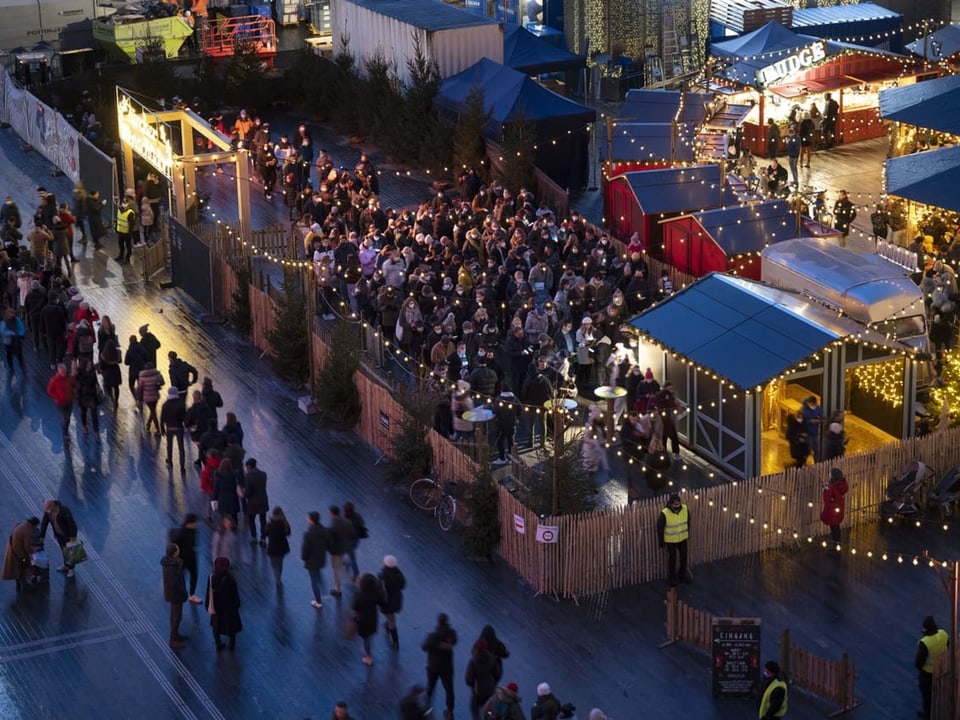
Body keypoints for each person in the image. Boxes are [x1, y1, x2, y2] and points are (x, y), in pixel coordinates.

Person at [422, 613, 458, 720]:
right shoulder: (452, 634)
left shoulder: (433, 636)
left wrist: (436, 645)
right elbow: (454, 642)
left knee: (431, 688)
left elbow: (424, 647)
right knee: (449, 690)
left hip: (433, 667)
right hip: (447, 667)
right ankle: (450, 712)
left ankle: (427, 709)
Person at [916, 615, 949, 719]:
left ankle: (928, 715)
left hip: (928, 673)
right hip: (942, 668)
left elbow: (919, 662)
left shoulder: (925, 643)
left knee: (927, 696)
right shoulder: (943, 634)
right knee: (941, 690)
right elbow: (948, 646)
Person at [206, 556, 242, 650]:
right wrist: (237, 604)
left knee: (216, 627)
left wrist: (208, 605)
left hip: (216, 606)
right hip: (229, 608)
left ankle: (218, 644)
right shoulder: (230, 579)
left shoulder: (211, 577)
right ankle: (231, 644)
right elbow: (234, 595)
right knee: (231, 627)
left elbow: (208, 592)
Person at [39, 499, 78, 578]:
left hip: (69, 535)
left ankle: (71, 569)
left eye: (49, 509)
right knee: (64, 550)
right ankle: (66, 566)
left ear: (53, 505)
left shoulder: (64, 511)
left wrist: (72, 537)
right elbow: (44, 523)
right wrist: (42, 536)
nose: (48, 511)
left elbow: (71, 524)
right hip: (60, 535)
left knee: (72, 552)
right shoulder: (48, 512)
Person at [657, 493, 689, 587]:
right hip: (671, 540)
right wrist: (661, 542)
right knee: (672, 559)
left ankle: (682, 575)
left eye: (678, 504)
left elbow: (688, 521)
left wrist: (688, 533)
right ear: (670, 504)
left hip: (682, 538)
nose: (676, 506)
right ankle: (672, 578)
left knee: (684, 557)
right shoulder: (665, 513)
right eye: (674, 504)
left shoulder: (685, 509)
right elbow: (660, 528)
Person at [464, 638, 502, 719]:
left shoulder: (473, 661)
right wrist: (492, 683)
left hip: (478, 692)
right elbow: (497, 674)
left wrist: (473, 684)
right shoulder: (492, 659)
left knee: (474, 709)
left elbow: (468, 679)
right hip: (490, 690)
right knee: (488, 711)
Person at [169, 514, 202, 604]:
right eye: (195, 522)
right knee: (181, 576)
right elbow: (174, 544)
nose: (196, 524)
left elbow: (194, 543)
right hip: (182, 558)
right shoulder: (181, 533)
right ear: (189, 523)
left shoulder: (195, 530)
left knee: (194, 575)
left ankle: (191, 595)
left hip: (191, 557)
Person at [161, 543, 189, 649]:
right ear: (175, 553)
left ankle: (175, 634)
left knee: (174, 615)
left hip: (171, 593)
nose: (179, 550)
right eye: (177, 549)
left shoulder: (167, 563)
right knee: (176, 616)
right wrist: (184, 592)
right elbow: (177, 583)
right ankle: (173, 639)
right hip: (176, 595)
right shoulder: (175, 566)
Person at [352, 572, 383, 666]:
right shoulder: (375, 594)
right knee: (368, 637)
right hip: (373, 618)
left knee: (366, 638)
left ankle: (368, 657)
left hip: (363, 619)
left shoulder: (359, 594)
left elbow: (355, 606)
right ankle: (368, 652)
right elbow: (381, 601)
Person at [2, 516, 39, 592]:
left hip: (12, 550)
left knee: (17, 569)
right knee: (23, 568)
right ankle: (25, 586)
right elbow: (27, 547)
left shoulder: (21, 525)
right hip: (20, 554)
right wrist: (33, 550)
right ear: (34, 524)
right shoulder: (28, 532)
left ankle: (19, 584)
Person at [301, 510, 329, 609]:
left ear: (312, 521)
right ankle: (325, 592)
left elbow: (305, 550)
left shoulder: (308, 535)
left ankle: (318, 601)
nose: (307, 519)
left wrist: (304, 558)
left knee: (314, 581)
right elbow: (328, 543)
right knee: (318, 574)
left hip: (311, 561)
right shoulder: (325, 530)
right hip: (321, 558)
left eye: (308, 518)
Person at [327, 505, 355, 597]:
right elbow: (352, 535)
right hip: (343, 548)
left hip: (335, 551)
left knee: (336, 569)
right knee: (338, 567)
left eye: (329, 513)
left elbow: (329, 540)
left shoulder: (333, 525)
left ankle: (337, 589)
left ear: (332, 514)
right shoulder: (347, 522)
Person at [379, 554, 406, 649]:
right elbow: (403, 585)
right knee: (391, 616)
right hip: (397, 600)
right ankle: (388, 626)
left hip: (387, 602)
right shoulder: (399, 575)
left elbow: (378, 588)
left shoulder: (382, 575)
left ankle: (395, 640)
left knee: (391, 621)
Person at [46, 363, 76, 442]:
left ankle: (65, 429)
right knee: (65, 418)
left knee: (68, 418)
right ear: (59, 372)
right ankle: (65, 433)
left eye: (65, 371)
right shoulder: (55, 380)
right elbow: (49, 390)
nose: (64, 373)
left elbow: (74, 385)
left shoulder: (69, 378)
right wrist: (57, 397)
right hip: (60, 403)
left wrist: (74, 393)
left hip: (69, 401)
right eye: (62, 372)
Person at [821, 468, 849, 549]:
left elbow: (826, 498)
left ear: (833, 477)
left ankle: (836, 548)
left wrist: (826, 489)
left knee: (834, 530)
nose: (829, 476)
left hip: (832, 512)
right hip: (838, 511)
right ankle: (837, 546)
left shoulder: (832, 487)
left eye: (830, 475)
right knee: (836, 529)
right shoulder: (840, 485)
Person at [160, 386, 187, 470]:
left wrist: (162, 429)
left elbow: (162, 418)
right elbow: (184, 417)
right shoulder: (181, 404)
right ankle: (182, 466)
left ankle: (170, 461)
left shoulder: (165, 405)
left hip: (169, 428)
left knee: (169, 446)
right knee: (181, 448)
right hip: (179, 428)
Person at [244, 458, 269, 545]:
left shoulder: (248, 477)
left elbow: (247, 493)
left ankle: (254, 537)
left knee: (251, 520)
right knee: (263, 521)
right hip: (263, 500)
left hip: (253, 503)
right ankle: (263, 539)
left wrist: (241, 493)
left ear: (249, 466)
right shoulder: (264, 474)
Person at [75, 358, 102, 439]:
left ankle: (96, 432)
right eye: (89, 365)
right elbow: (76, 383)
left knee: (94, 415)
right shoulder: (80, 374)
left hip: (91, 395)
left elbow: (94, 382)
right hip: (83, 395)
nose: (90, 366)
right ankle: (84, 426)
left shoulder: (92, 373)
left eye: (91, 365)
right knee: (83, 413)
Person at [265, 507, 291, 588]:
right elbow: (288, 533)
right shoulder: (285, 524)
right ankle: (278, 577)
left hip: (272, 547)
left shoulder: (270, 524)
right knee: (280, 563)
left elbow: (265, 533)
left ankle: (277, 578)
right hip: (282, 547)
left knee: (273, 564)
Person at [136, 361, 165, 436]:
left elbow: (140, 389)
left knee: (153, 412)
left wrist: (139, 399)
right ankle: (149, 424)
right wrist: (157, 385)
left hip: (147, 397)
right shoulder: (157, 375)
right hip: (155, 396)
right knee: (153, 411)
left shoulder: (142, 377)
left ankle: (158, 430)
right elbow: (162, 382)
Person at [213, 458, 240, 525]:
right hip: (233, 497)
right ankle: (234, 527)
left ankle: (225, 528)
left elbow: (216, 489)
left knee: (223, 515)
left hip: (222, 498)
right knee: (234, 515)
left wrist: (214, 499)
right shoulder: (234, 474)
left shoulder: (218, 476)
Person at [343, 501, 366, 578]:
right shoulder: (357, 516)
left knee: (351, 556)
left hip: (349, 540)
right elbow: (362, 523)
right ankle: (346, 564)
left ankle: (356, 573)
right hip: (356, 539)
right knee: (351, 554)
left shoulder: (346, 519)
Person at [2, 306, 26, 376]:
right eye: (11, 313)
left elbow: (21, 327)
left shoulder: (16, 319)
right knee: (9, 355)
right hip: (8, 341)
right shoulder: (4, 322)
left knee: (19, 354)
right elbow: (3, 331)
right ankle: (10, 367)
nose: (13, 315)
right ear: (7, 314)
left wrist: (20, 334)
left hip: (16, 340)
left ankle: (22, 367)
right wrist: (12, 333)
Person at [124, 334, 146, 403]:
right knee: (141, 385)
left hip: (133, 370)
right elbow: (146, 357)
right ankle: (141, 397)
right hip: (141, 369)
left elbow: (126, 362)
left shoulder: (129, 350)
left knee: (131, 385)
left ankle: (136, 398)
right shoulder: (141, 347)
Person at [802, 395, 824, 463]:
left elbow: (822, 417)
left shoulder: (819, 409)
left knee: (817, 450)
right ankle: (803, 463)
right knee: (807, 450)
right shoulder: (804, 409)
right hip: (807, 433)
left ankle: (817, 463)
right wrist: (810, 421)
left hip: (815, 434)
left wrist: (819, 420)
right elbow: (803, 420)